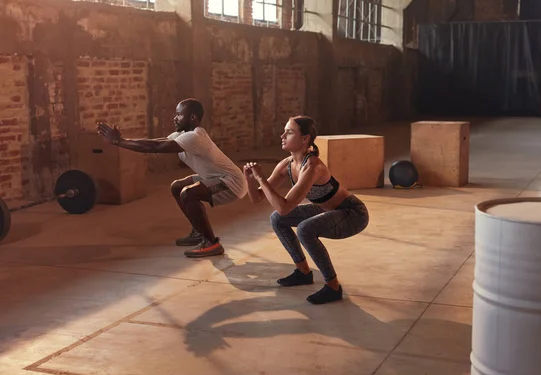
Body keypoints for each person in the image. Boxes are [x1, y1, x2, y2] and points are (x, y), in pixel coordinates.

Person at [97, 98, 247, 257]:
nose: (174, 118)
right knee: (177, 186)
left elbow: (155, 148)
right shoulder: (182, 135)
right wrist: (122, 141)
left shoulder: (195, 137)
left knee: (188, 194)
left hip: (231, 182)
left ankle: (211, 243)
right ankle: (198, 232)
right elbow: (154, 142)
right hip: (216, 177)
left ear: (192, 118)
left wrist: (119, 142)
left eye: (179, 114)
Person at [243, 116, 369, 305]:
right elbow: (257, 198)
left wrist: (261, 179)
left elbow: (285, 207)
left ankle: (333, 287)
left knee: (305, 228)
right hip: (326, 210)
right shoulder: (286, 165)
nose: (282, 135)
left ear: (305, 139)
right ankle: (303, 272)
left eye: (290, 132)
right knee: (277, 219)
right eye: (284, 131)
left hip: (353, 214)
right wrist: (250, 179)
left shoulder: (313, 166)